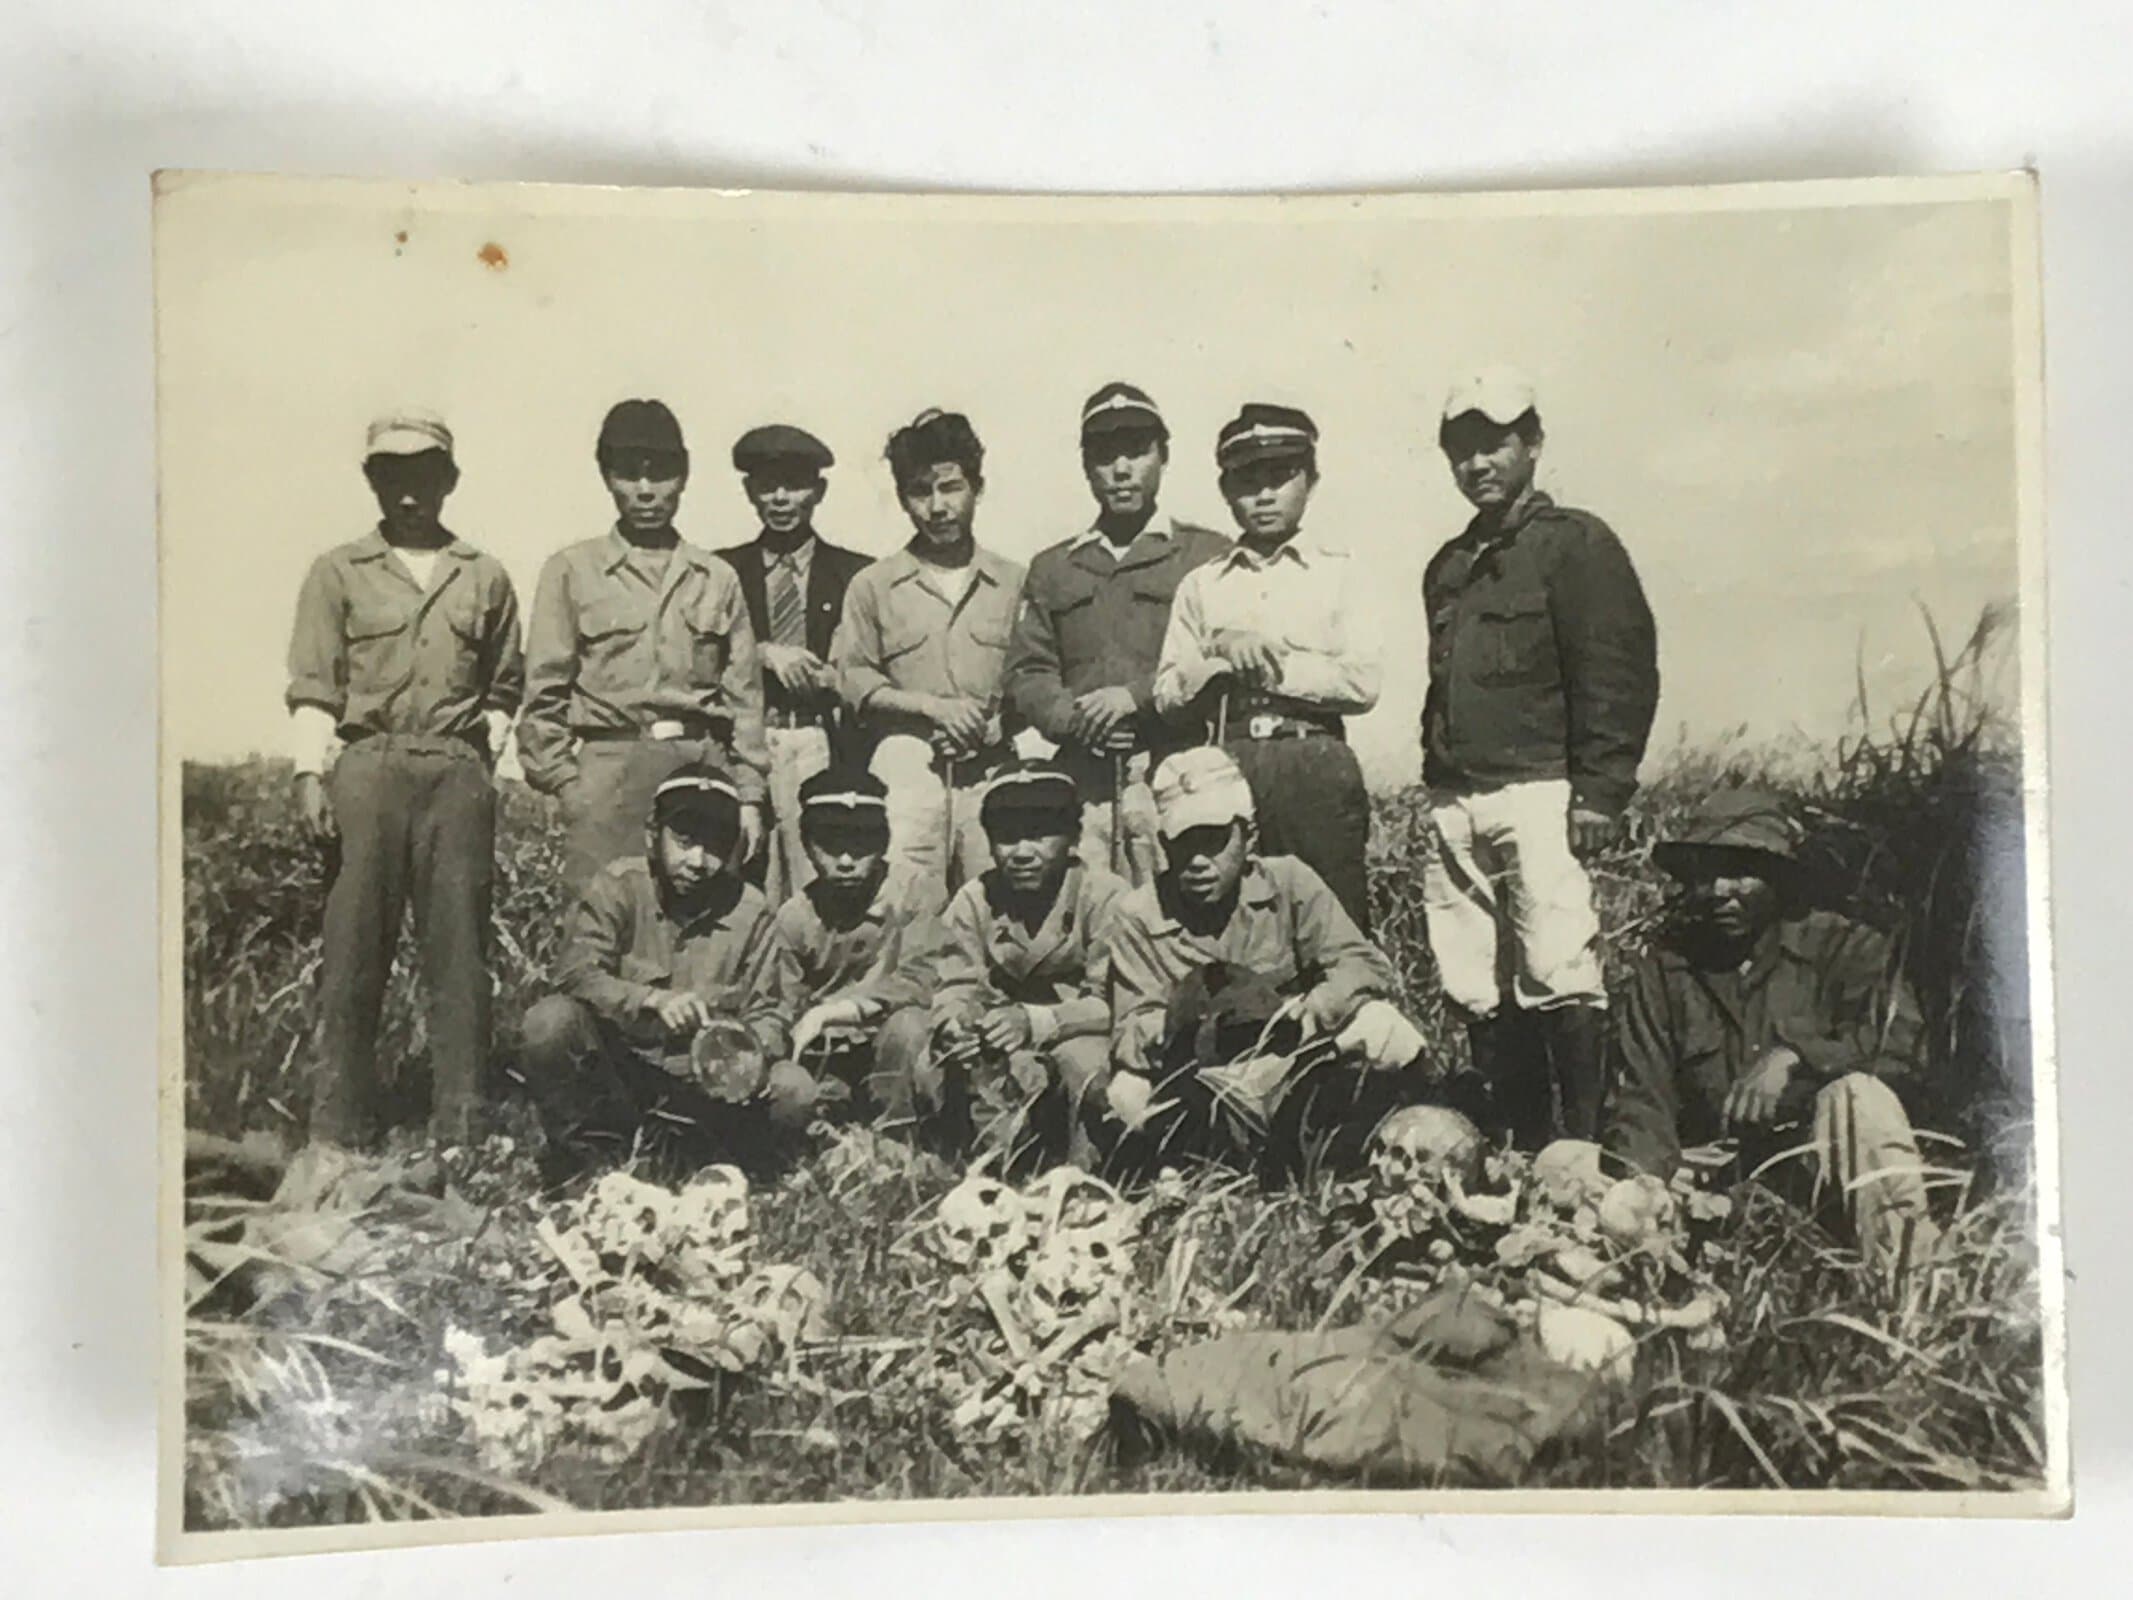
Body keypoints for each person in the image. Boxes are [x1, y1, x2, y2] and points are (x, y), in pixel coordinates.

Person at [1421, 367, 1659, 1148]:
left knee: (1557, 967)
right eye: (1461, 450)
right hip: (1458, 798)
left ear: (1532, 444)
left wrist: (1600, 793)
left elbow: (1617, 670)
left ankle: (1580, 1149)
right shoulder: (1449, 564)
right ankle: (1518, 1146)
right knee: (1476, 983)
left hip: (1540, 793)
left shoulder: (1575, 544)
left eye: (1494, 445)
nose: (1478, 464)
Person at [285, 410, 524, 1150]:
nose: (409, 491)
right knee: (354, 948)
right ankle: (339, 1129)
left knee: (459, 955)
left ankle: (463, 1126)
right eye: (392, 475)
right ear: (373, 481)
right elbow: (314, 683)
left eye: (424, 474)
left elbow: (507, 683)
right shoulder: (337, 570)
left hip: (454, 770)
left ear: (449, 480)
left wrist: (483, 761)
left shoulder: (482, 573)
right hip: (367, 767)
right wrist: (307, 771)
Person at [1605, 788, 1941, 1274]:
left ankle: (1905, 1283)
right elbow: (1643, 1098)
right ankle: (1642, 1272)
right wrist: (1642, 1189)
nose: (1720, 890)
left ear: (1780, 878)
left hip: (1814, 1171)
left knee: (1857, 1097)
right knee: (1565, 1162)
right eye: (1707, 873)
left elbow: (1905, 1048)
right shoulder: (1666, 970)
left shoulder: (1844, 947)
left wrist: (1798, 1056)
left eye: (1740, 872)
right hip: (1714, 1175)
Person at [1105, 747, 1427, 1169]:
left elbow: (1359, 963)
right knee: (1126, 1093)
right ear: (1164, 845)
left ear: (1249, 837)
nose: (1199, 861)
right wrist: (1194, 1019)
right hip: (1200, 1076)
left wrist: (1309, 1010)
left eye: (1215, 840)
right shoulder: (1139, 914)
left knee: (1386, 1029)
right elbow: (1128, 1031)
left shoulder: (1289, 881)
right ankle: (1181, 1175)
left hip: (1292, 1056)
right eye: (1184, 843)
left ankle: (1392, 1153)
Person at [519, 398, 770, 893]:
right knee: (601, 923)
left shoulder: (715, 578)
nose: (646, 491)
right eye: (630, 474)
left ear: (684, 477)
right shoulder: (572, 571)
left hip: (699, 768)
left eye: (661, 475)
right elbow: (543, 694)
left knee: (701, 931)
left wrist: (749, 797)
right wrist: (571, 787)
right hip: (609, 771)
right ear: (607, 477)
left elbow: (745, 701)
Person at [1152, 403, 1382, 933]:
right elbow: (1166, 693)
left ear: (1311, 480)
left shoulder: (1338, 572)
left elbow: (1362, 682)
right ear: (1226, 490)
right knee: (1237, 925)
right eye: (1246, 481)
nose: (1263, 495)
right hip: (1226, 764)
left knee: (1334, 920)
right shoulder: (1203, 584)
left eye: (1281, 477)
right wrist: (1216, 658)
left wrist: (1269, 662)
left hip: (1313, 760)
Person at [518, 767, 802, 1175]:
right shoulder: (619, 886)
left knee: (794, 1088)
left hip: (709, 1089)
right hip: (624, 1077)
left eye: (716, 845)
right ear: (654, 835)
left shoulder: (752, 912)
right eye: (684, 841)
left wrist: (737, 1051)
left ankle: (745, 1174)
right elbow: (576, 973)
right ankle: (589, 1166)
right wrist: (649, 999)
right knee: (549, 1022)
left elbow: (773, 1010)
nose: (698, 860)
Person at [1003, 383, 1230, 886]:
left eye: (1137, 452)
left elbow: (1217, 659)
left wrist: (1135, 698)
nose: (1121, 470)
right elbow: (1028, 672)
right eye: (1105, 456)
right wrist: (1076, 719)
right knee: (1088, 914)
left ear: (1163, 457)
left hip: (1179, 772)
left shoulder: (1206, 555)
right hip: (1083, 781)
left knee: (1174, 918)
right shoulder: (1054, 567)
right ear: (1086, 467)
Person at [831, 409, 1027, 892]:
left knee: (993, 902)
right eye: (920, 491)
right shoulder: (873, 585)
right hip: (908, 770)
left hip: (991, 769)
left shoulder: (1016, 583)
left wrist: (1002, 722)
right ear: (902, 499)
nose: (937, 507)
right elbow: (852, 676)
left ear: (977, 488)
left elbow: (1032, 675)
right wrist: (930, 709)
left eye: (951, 488)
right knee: (905, 907)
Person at [923, 760, 1130, 1167]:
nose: (1021, 853)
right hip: (998, 1044)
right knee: (929, 1058)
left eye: (1038, 835)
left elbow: (1115, 1004)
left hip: (1077, 1033)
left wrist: (1033, 1021)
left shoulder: (1105, 897)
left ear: (1072, 837)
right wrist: (954, 1023)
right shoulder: (975, 898)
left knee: (1085, 1064)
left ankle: (1086, 1181)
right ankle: (957, 1168)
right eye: (1006, 838)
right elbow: (954, 981)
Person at [714, 424, 872, 905]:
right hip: (746, 743)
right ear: (749, 491)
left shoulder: (858, 574)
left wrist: (833, 677)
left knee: (816, 883)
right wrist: (762, 651)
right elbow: (697, 658)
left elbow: (876, 667)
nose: (781, 498)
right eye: (767, 484)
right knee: (743, 879)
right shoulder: (720, 572)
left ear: (819, 491)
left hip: (820, 742)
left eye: (795, 484)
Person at [757, 765, 948, 1126]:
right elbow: (783, 1005)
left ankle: (901, 1138)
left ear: (884, 842)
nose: (846, 862)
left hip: (894, 1052)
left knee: (909, 1026)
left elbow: (921, 978)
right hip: (829, 1056)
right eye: (829, 846)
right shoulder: (795, 918)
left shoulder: (916, 893)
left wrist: (838, 1010)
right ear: (807, 847)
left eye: (861, 844)